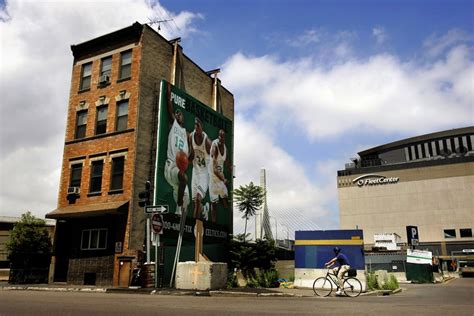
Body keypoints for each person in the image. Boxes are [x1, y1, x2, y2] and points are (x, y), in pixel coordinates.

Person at [164, 83, 192, 216]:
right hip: (171, 168)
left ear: (183, 118)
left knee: (187, 200)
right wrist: (168, 90)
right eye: (177, 113)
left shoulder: (186, 135)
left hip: (179, 170)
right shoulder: (173, 123)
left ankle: (180, 210)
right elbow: (169, 107)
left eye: (180, 113)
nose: (178, 114)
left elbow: (190, 158)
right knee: (184, 178)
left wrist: (191, 144)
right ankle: (178, 207)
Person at [189, 117, 211, 220]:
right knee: (195, 203)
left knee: (198, 199)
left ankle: (194, 227)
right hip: (195, 171)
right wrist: (184, 162)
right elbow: (192, 155)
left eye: (198, 126)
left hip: (204, 173)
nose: (196, 127)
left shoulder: (207, 142)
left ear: (202, 128)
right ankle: (205, 209)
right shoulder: (191, 137)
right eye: (195, 125)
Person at [208, 129, 232, 223]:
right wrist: (224, 179)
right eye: (219, 136)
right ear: (218, 136)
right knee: (213, 204)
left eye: (222, 137)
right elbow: (214, 170)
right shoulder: (215, 146)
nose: (220, 138)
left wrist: (231, 168)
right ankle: (214, 225)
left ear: (224, 138)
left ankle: (227, 224)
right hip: (214, 177)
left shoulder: (225, 148)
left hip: (220, 176)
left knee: (226, 201)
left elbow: (226, 162)